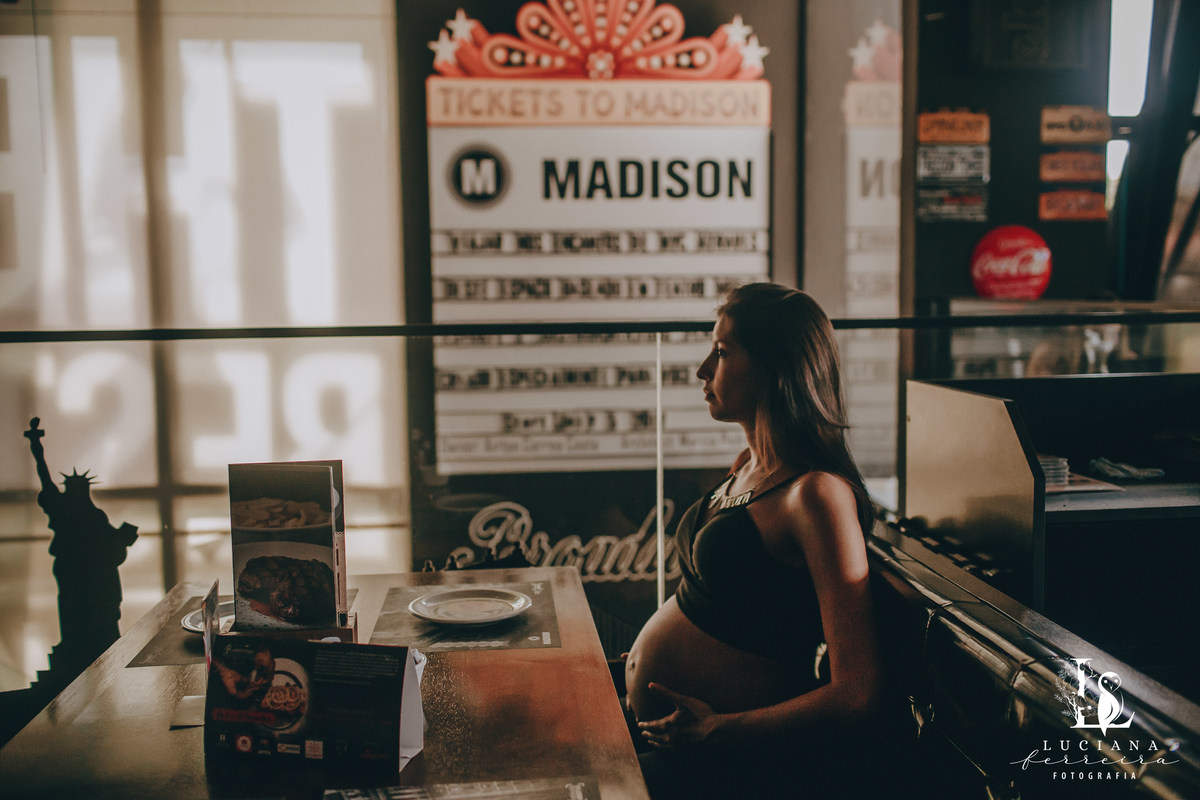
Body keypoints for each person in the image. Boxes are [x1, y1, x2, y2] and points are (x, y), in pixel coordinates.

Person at [623, 283, 885, 798]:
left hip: (738, 764)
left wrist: (716, 730)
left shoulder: (816, 496)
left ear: (776, 366)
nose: (703, 370)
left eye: (721, 353)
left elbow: (858, 692)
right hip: (681, 745)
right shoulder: (748, 469)